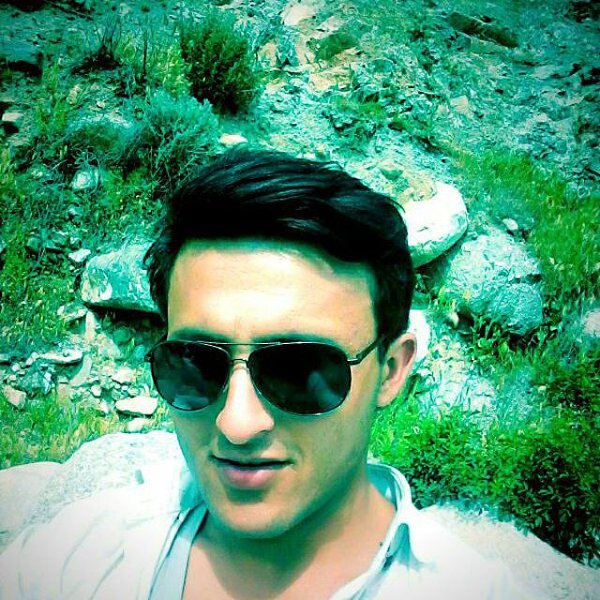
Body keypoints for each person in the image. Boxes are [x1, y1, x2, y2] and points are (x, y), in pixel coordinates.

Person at [0, 149, 539, 599]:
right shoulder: (78, 558)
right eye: (197, 363)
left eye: (299, 369)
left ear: (392, 370)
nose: (237, 424)